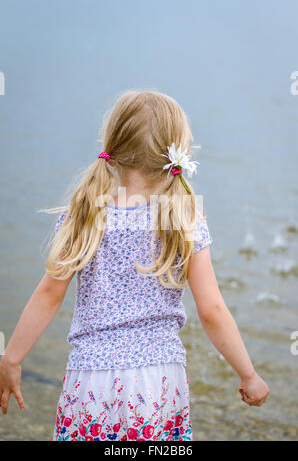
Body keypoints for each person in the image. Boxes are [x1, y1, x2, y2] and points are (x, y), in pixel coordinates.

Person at [0, 90, 269, 441]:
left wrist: (12, 358)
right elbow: (212, 310)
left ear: (113, 148)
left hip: (91, 377)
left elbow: (49, 293)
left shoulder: (84, 213)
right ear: (176, 157)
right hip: (157, 380)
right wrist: (248, 374)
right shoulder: (185, 219)